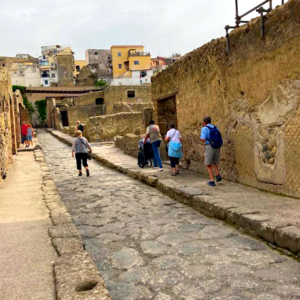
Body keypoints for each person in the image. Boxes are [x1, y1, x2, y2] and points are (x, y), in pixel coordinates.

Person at [200, 117, 223, 186]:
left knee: (208, 164)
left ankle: (212, 180)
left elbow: (203, 139)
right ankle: (217, 175)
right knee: (214, 162)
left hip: (209, 146)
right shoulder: (216, 128)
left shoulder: (204, 128)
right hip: (217, 146)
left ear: (204, 122)